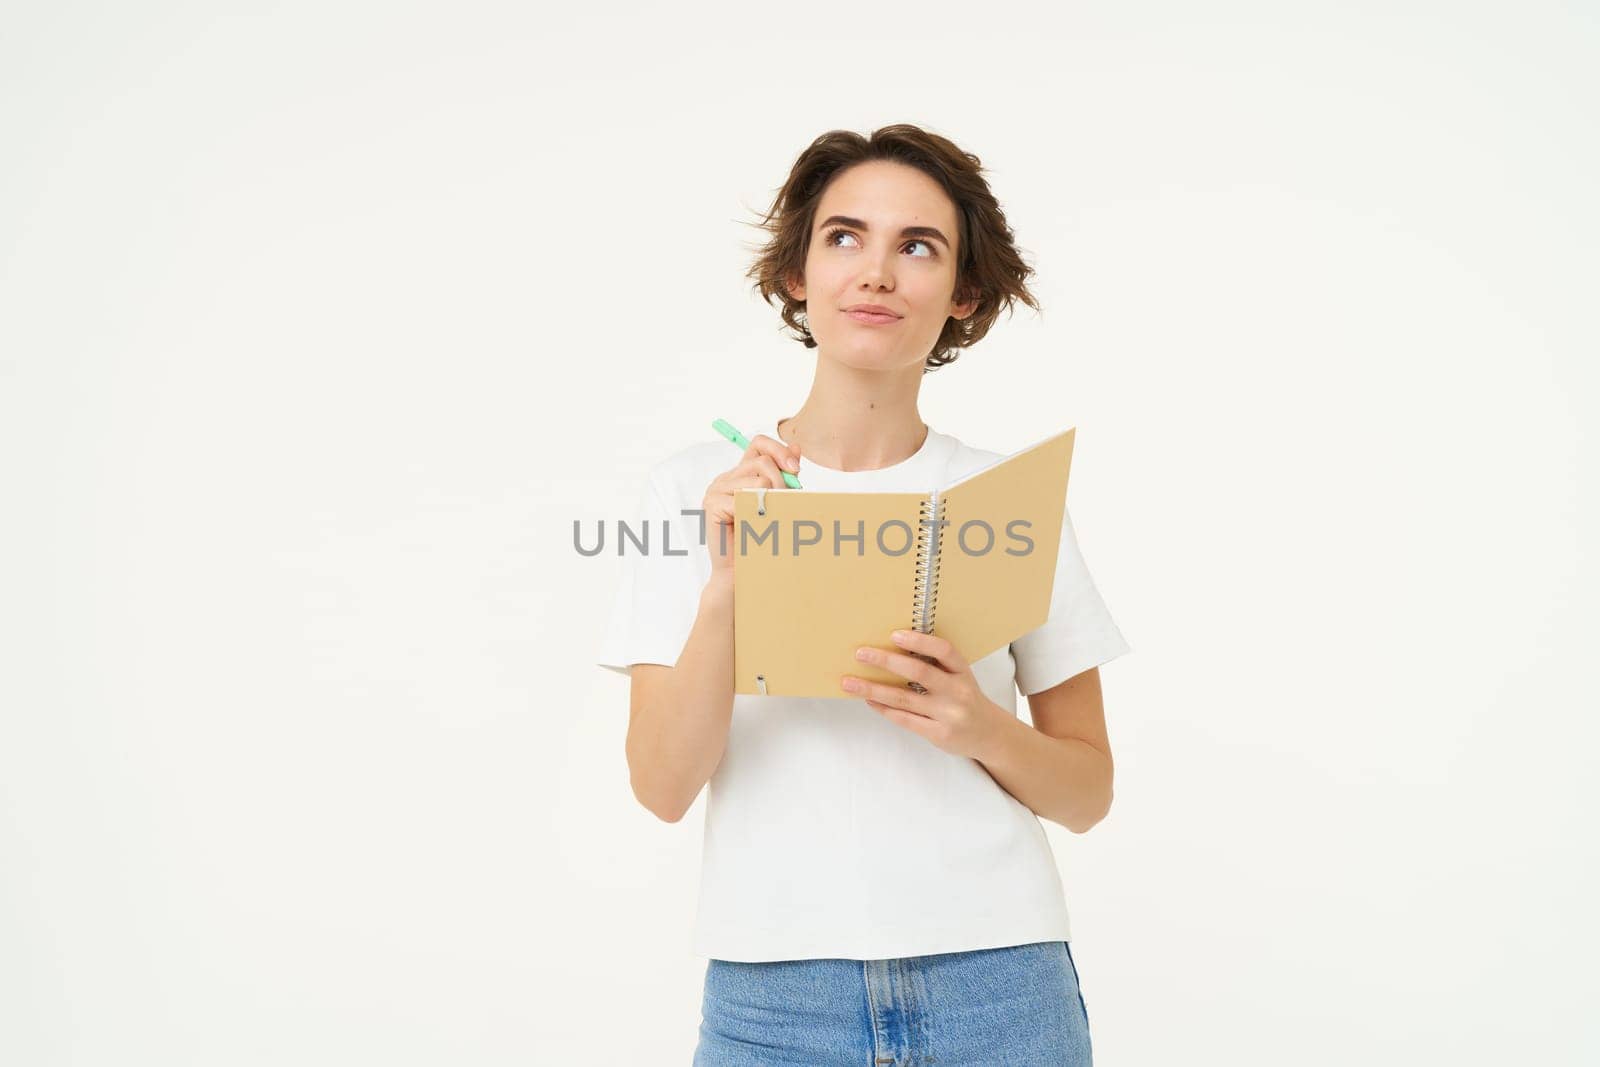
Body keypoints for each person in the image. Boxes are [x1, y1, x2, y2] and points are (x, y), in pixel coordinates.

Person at [596, 124, 1131, 1066]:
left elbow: (1089, 792)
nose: (876, 272)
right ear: (798, 274)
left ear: (963, 293)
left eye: (916, 246)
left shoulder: (1009, 499)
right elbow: (659, 786)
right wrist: (730, 584)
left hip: (999, 984)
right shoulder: (694, 492)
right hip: (775, 994)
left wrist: (978, 725)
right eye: (844, 237)